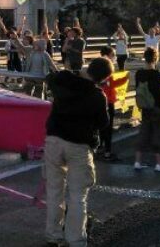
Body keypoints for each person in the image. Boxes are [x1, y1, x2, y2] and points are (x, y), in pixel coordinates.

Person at [43, 58, 112, 247]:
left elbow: (52, 78)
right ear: (104, 78)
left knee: (54, 191)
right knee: (77, 196)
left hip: (54, 139)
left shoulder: (64, 80)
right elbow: (102, 123)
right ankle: (75, 240)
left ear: (87, 67)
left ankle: (53, 235)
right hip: (79, 145)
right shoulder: (98, 96)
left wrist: (76, 71)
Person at [96, 46, 127, 162]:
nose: (114, 57)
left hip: (99, 101)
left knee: (100, 126)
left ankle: (100, 147)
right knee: (108, 127)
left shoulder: (97, 66)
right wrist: (125, 79)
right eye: (113, 55)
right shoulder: (106, 68)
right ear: (108, 55)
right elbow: (111, 84)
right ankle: (107, 152)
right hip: (108, 101)